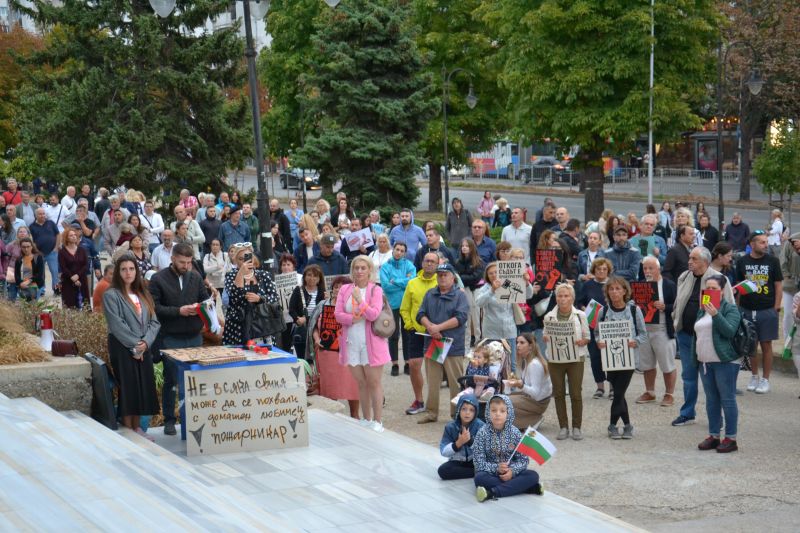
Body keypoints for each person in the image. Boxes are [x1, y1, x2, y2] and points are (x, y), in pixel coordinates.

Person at [149, 242, 210, 436]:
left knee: (195, 379)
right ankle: (169, 419)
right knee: (172, 380)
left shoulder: (195, 277)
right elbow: (154, 308)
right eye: (182, 262)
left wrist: (205, 307)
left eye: (189, 262)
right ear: (173, 258)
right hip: (171, 337)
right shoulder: (158, 279)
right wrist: (179, 311)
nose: (186, 266)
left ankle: (195, 417)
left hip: (194, 336)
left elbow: (204, 299)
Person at [671, 246, 735, 427]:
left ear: (705, 262)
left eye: (694, 259)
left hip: (710, 338)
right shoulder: (684, 276)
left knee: (714, 381)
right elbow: (679, 301)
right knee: (689, 377)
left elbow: (729, 306)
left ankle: (717, 418)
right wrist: (675, 317)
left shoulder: (719, 279)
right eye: (689, 258)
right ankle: (687, 413)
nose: (689, 261)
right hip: (686, 336)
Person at [102, 254, 160, 440]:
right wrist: (136, 346)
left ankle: (137, 428)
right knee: (129, 386)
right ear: (118, 273)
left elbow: (154, 322)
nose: (128, 273)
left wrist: (145, 344)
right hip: (123, 347)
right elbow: (117, 324)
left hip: (143, 347)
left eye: (132, 269)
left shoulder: (143, 294)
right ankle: (128, 429)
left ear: (137, 271)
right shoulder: (112, 295)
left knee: (142, 385)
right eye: (124, 269)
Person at [335, 256, 391, 433]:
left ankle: (378, 420)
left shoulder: (375, 290)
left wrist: (360, 301)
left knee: (373, 382)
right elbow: (338, 314)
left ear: (369, 271)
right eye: (356, 268)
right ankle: (366, 419)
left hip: (372, 344)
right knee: (361, 383)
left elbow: (374, 315)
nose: (359, 271)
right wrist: (353, 318)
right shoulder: (345, 289)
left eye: (363, 268)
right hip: (351, 341)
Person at [691, 274, 741, 453]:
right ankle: (714, 435)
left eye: (714, 289)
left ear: (722, 291)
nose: (710, 291)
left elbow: (729, 331)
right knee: (712, 400)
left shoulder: (730, 309)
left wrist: (716, 314)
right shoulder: (701, 309)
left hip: (725, 361)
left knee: (727, 399)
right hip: (705, 361)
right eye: (707, 288)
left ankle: (731, 438)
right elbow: (697, 335)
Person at [416, 263, 470, 424]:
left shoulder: (460, 295)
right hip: (434, 343)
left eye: (445, 274)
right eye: (439, 274)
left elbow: (461, 317)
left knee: (456, 382)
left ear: (453, 277)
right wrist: (431, 327)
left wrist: (437, 327)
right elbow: (421, 314)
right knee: (433, 381)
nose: (442, 277)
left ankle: (457, 414)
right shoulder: (430, 293)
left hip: (452, 344)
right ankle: (432, 412)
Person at [596, 276, 647, 439]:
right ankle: (627, 425)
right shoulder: (603, 311)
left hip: (629, 358)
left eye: (618, 288)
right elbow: (597, 333)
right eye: (611, 289)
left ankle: (612, 425)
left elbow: (643, 334)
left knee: (618, 393)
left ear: (625, 291)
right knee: (620, 393)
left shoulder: (634, 310)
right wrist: (599, 342)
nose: (614, 292)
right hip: (610, 360)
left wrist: (635, 341)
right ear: (607, 292)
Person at [734, 231, 783, 394]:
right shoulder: (742, 261)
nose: (766, 244)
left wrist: (776, 307)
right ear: (752, 244)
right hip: (747, 309)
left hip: (767, 309)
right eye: (762, 242)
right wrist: (737, 308)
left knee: (766, 344)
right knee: (751, 345)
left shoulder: (773, 261)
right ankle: (754, 376)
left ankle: (765, 379)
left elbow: (778, 285)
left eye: (766, 242)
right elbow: (738, 287)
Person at [542, 283, 590, 440]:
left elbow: (587, 336)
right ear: (556, 298)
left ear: (572, 298)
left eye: (566, 296)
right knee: (559, 393)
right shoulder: (549, 316)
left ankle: (577, 427)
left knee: (576, 393)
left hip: (576, 358)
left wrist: (583, 341)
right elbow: (545, 335)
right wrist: (546, 338)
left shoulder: (580, 316)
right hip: (555, 359)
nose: (563, 299)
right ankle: (563, 426)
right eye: (560, 296)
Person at [473, 395, 543, 502]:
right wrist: (496, 468)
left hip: (511, 474)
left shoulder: (515, 433)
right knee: (479, 478)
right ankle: (526, 488)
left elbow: (523, 460)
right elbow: (478, 462)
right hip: (491, 474)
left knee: (533, 475)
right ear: (488, 412)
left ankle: (492, 493)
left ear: (508, 413)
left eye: (502, 411)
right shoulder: (482, 433)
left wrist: (512, 471)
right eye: (494, 410)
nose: (497, 414)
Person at [308, 275, 360, 418]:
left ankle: (355, 417)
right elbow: (313, 327)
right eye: (336, 286)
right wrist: (317, 339)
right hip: (327, 355)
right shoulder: (322, 305)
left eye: (342, 286)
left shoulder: (354, 306)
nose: (338, 289)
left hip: (349, 354)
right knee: (330, 390)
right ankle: (331, 419)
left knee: (352, 387)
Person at [475, 262, 534, 373]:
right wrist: (492, 290)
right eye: (490, 273)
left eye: (496, 272)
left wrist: (526, 283)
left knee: (511, 365)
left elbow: (528, 295)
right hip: (491, 333)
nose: (494, 275)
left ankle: (510, 389)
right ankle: (495, 389)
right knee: (493, 364)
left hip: (509, 331)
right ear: (487, 276)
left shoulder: (509, 283)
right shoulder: (485, 288)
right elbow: (479, 303)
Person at [635, 257, 678, 407]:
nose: (647, 271)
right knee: (647, 364)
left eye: (650, 268)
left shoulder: (668, 285)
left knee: (667, 364)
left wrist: (665, 306)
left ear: (658, 269)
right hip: (644, 329)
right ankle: (650, 392)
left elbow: (678, 305)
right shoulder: (640, 285)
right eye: (645, 268)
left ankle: (669, 394)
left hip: (663, 329)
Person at [222, 243, 280, 346]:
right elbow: (235, 298)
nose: (245, 261)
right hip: (238, 326)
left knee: (264, 357)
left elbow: (275, 298)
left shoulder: (263, 275)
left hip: (262, 325)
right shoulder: (231, 276)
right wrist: (241, 273)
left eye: (248, 258)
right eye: (240, 259)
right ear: (235, 261)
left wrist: (260, 298)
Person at [577, 257, 613, 398]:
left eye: (604, 269)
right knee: (595, 357)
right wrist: (583, 308)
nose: (602, 271)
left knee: (610, 356)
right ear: (594, 270)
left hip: (609, 325)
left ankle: (612, 387)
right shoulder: (587, 285)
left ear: (608, 270)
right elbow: (579, 301)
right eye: (598, 269)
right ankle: (600, 387)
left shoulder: (612, 284)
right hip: (592, 325)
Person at [380, 242, 416, 376]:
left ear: (405, 253)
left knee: (407, 334)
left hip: (406, 305)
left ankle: (407, 362)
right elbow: (385, 286)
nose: (399, 252)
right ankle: (394, 363)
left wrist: (394, 281)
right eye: (397, 249)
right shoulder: (385, 267)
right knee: (393, 335)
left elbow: (412, 281)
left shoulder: (409, 265)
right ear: (393, 250)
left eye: (402, 250)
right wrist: (403, 282)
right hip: (392, 305)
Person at [507, 333, 552, 430]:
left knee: (503, 403)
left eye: (522, 342)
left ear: (531, 346)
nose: (518, 345)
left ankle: (533, 420)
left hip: (538, 402)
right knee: (503, 397)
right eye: (517, 342)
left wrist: (521, 385)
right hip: (533, 399)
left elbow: (535, 393)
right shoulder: (527, 360)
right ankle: (530, 419)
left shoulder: (534, 364)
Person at [437, 394, 485, 480]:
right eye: (464, 409)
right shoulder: (450, 427)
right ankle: (474, 473)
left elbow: (485, 451)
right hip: (457, 461)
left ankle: (477, 471)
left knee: (487, 465)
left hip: (475, 461)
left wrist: (470, 441)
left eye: (471, 410)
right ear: (458, 409)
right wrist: (459, 443)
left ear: (476, 412)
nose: (467, 413)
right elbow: (444, 452)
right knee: (442, 471)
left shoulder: (481, 426)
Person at [289, 264, 326, 359]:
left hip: (318, 329)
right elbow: (291, 309)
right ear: (304, 276)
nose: (312, 278)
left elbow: (324, 312)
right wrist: (297, 319)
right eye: (309, 275)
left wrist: (307, 319)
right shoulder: (298, 290)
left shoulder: (323, 292)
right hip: (302, 329)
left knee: (318, 358)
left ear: (319, 279)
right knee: (303, 358)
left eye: (315, 276)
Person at [455, 238, 486, 346]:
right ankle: (466, 345)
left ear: (471, 247)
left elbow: (476, 277)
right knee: (466, 317)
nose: (464, 247)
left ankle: (479, 342)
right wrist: (464, 278)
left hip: (477, 290)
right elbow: (456, 278)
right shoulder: (458, 262)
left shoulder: (479, 261)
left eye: (467, 246)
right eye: (463, 245)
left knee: (477, 317)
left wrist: (463, 278)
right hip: (465, 290)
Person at [29, 207, 61, 295]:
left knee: (54, 271)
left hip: (52, 252)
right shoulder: (32, 226)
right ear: (35, 215)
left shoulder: (50, 223)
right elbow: (32, 240)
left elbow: (58, 235)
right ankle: (41, 289)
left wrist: (56, 247)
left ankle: (56, 289)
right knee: (40, 272)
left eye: (43, 213)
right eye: (40, 214)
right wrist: (37, 251)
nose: (43, 215)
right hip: (39, 253)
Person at [58, 227, 90, 309]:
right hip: (68, 280)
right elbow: (63, 267)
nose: (74, 236)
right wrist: (73, 278)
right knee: (70, 305)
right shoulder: (62, 252)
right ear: (66, 238)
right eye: (71, 235)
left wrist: (78, 276)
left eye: (75, 235)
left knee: (84, 304)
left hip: (82, 279)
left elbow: (86, 265)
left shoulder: (82, 250)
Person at [13, 237, 44, 301]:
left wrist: (29, 281)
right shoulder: (19, 259)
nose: (26, 249)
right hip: (23, 286)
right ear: (21, 247)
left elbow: (40, 274)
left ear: (32, 246)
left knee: (33, 306)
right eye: (23, 247)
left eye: (28, 246)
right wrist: (20, 283)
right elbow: (16, 275)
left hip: (35, 286)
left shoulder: (38, 257)